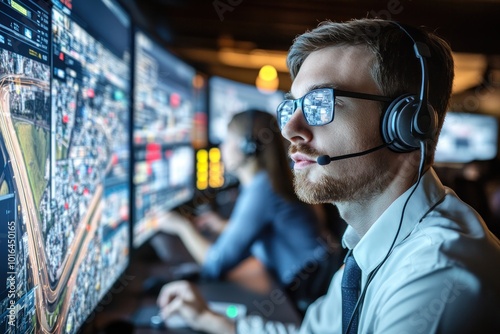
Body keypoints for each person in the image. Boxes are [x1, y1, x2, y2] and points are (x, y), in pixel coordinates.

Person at [157, 19, 500, 333]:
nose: (290, 129)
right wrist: (209, 319)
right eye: (292, 107)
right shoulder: (365, 245)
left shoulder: (437, 276)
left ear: (405, 125)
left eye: (320, 103)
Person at [158, 109, 343, 314]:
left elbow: (215, 265)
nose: (222, 148)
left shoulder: (262, 190)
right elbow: (263, 232)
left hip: (309, 290)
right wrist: (222, 226)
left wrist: (181, 227)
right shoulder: (270, 180)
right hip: (319, 276)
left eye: (228, 140)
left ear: (248, 147)